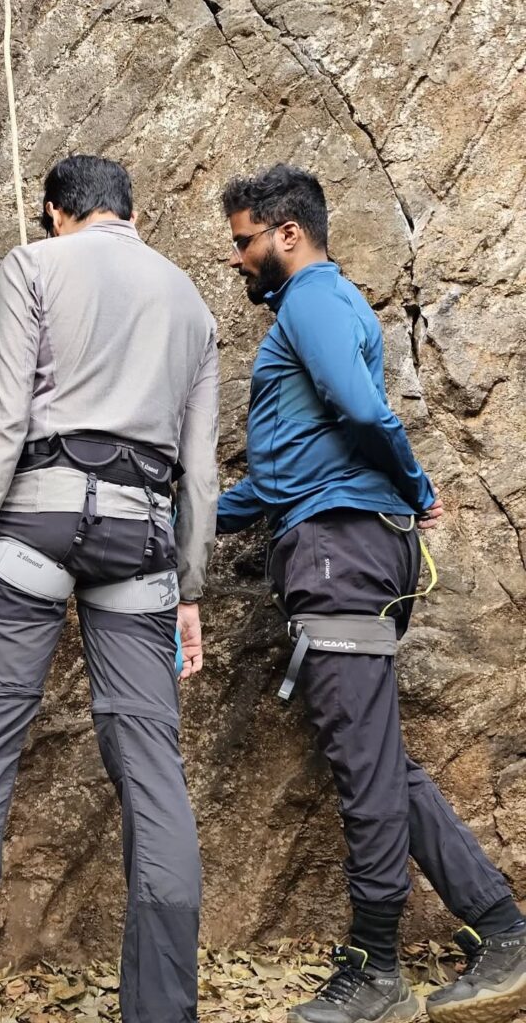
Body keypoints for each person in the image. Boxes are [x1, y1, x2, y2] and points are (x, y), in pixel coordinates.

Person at [0, 154, 221, 1023]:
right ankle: (161, 1010)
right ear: (127, 212)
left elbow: (4, 419)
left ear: (57, 211)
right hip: (143, 539)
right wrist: (190, 589)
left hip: (33, 520)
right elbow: (202, 475)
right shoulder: (193, 305)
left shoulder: (35, 263)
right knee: (152, 765)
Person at [217, 163, 526, 1023]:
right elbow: (290, 473)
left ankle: (377, 969)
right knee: (380, 757)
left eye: (244, 241)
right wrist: (190, 515)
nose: (237, 259)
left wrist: (418, 483)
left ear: (287, 233)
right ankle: (504, 933)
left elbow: (361, 412)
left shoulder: (312, 297)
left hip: (340, 553)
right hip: (342, 545)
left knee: (361, 764)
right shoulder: (321, 308)